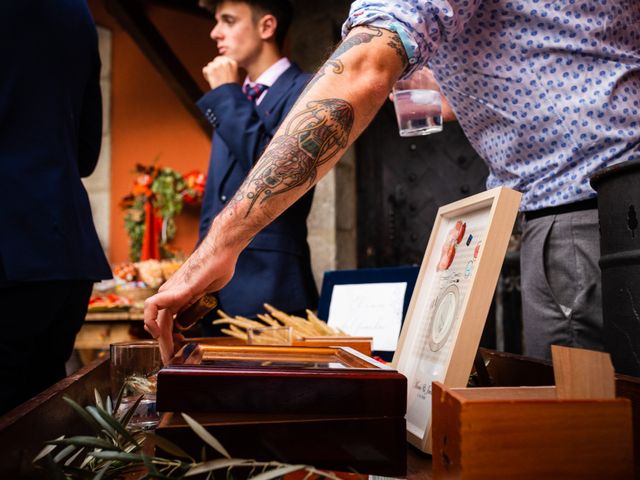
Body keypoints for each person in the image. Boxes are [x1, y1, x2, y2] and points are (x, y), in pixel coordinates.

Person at [145, 0, 640, 363]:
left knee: (590, 430)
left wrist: (213, 251)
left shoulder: (291, 80)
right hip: (591, 200)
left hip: (581, 209)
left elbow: (361, 71)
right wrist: (435, 94)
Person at [0, 1, 111, 414]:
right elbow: (85, 155)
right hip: (64, 252)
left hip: (9, 253)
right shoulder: (76, 10)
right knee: (38, 423)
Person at [196, 0, 317, 328]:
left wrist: (227, 95)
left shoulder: (309, 90)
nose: (215, 32)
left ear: (266, 26)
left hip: (272, 289)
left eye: (228, 21)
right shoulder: (235, 95)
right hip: (211, 294)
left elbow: (280, 174)